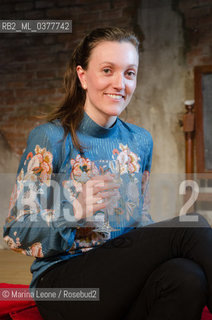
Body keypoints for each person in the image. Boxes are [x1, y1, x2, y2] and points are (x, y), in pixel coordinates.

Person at [3, 27, 212, 320]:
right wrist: (73, 211)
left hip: (119, 280)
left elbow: (140, 218)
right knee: (193, 227)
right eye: (107, 70)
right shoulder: (51, 138)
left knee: (187, 276)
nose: (120, 83)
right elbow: (15, 233)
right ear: (83, 76)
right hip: (64, 287)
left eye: (129, 73)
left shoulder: (140, 141)